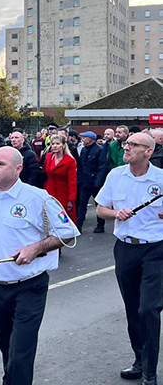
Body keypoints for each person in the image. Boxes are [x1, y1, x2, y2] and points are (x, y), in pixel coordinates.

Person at [0, 147, 79, 385]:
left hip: (28, 286)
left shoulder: (38, 198)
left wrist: (35, 249)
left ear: (18, 169)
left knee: (21, 350)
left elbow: (68, 233)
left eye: (1, 164)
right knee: (7, 346)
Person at [96, 132, 163, 385]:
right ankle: (139, 358)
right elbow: (101, 209)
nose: (126, 147)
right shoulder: (116, 176)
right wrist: (115, 213)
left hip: (156, 250)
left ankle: (150, 371)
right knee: (133, 308)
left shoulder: (160, 178)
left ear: (148, 152)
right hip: (125, 249)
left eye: (133, 144)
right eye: (127, 143)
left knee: (149, 309)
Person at [43, 134, 77, 225]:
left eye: (57, 143)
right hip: (49, 191)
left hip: (63, 193)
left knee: (63, 217)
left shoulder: (70, 161)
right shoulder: (48, 157)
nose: (54, 146)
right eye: (52, 143)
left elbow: (72, 181)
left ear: (63, 145)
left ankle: (65, 234)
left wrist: (71, 199)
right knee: (50, 216)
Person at [77, 131, 107, 233]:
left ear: (89, 139)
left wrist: (98, 182)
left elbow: (102, 167)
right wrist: (79, 179)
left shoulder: (99, 150)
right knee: (82, 204)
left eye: (84, 137)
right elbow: (80, 166)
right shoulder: (84, 150)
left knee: (98, 204)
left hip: (95, 183)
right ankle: (78, 225)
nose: (82, 139)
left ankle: (100, 225)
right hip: (85, 182)